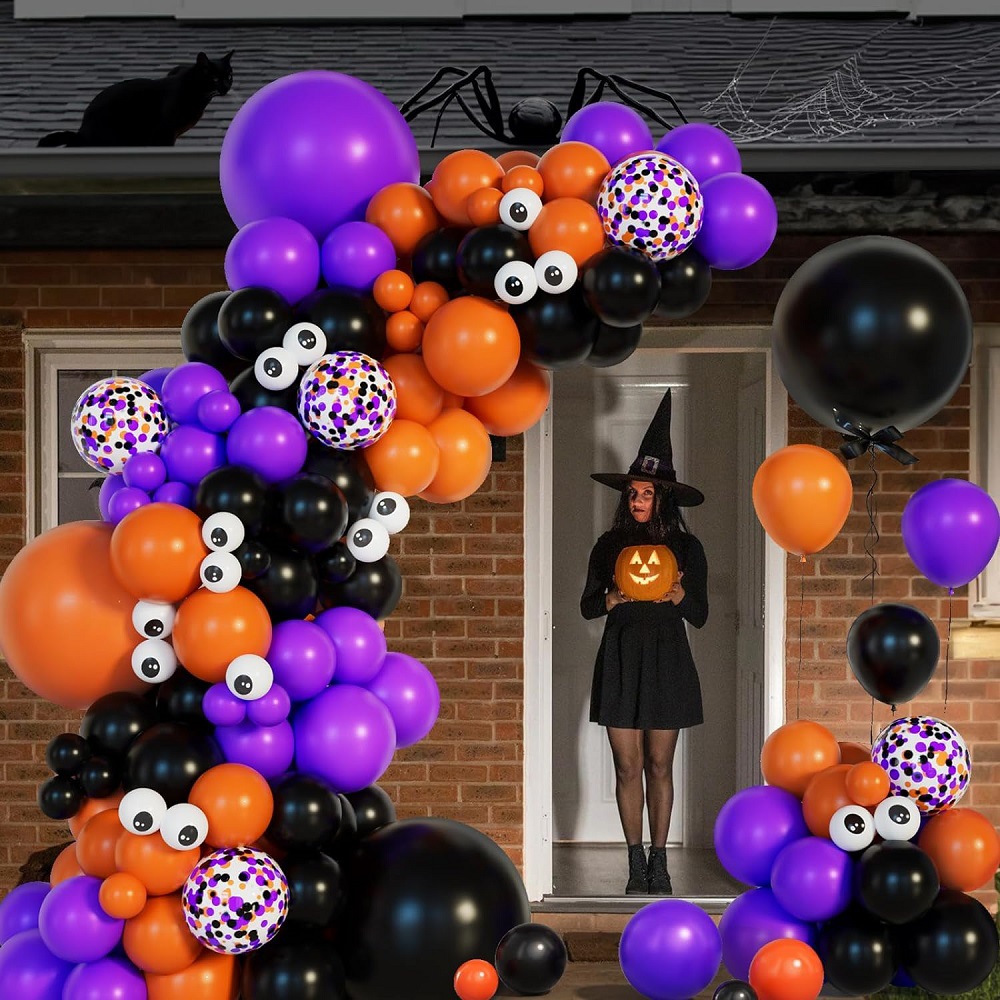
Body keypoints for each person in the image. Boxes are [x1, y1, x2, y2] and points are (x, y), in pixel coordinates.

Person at [580, 389, 708, 896]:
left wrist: (680, 596)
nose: (636, 500)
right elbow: (587, 606)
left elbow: (701, 615)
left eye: (646, 493)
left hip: (667, 660)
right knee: (626, 765)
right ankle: (634, 862)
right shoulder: (609, 545)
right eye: (632, 493)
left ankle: (660, 860)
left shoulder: (686, 548)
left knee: (659, 764)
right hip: (620, 659)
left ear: (663, 498)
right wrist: (611, 597)